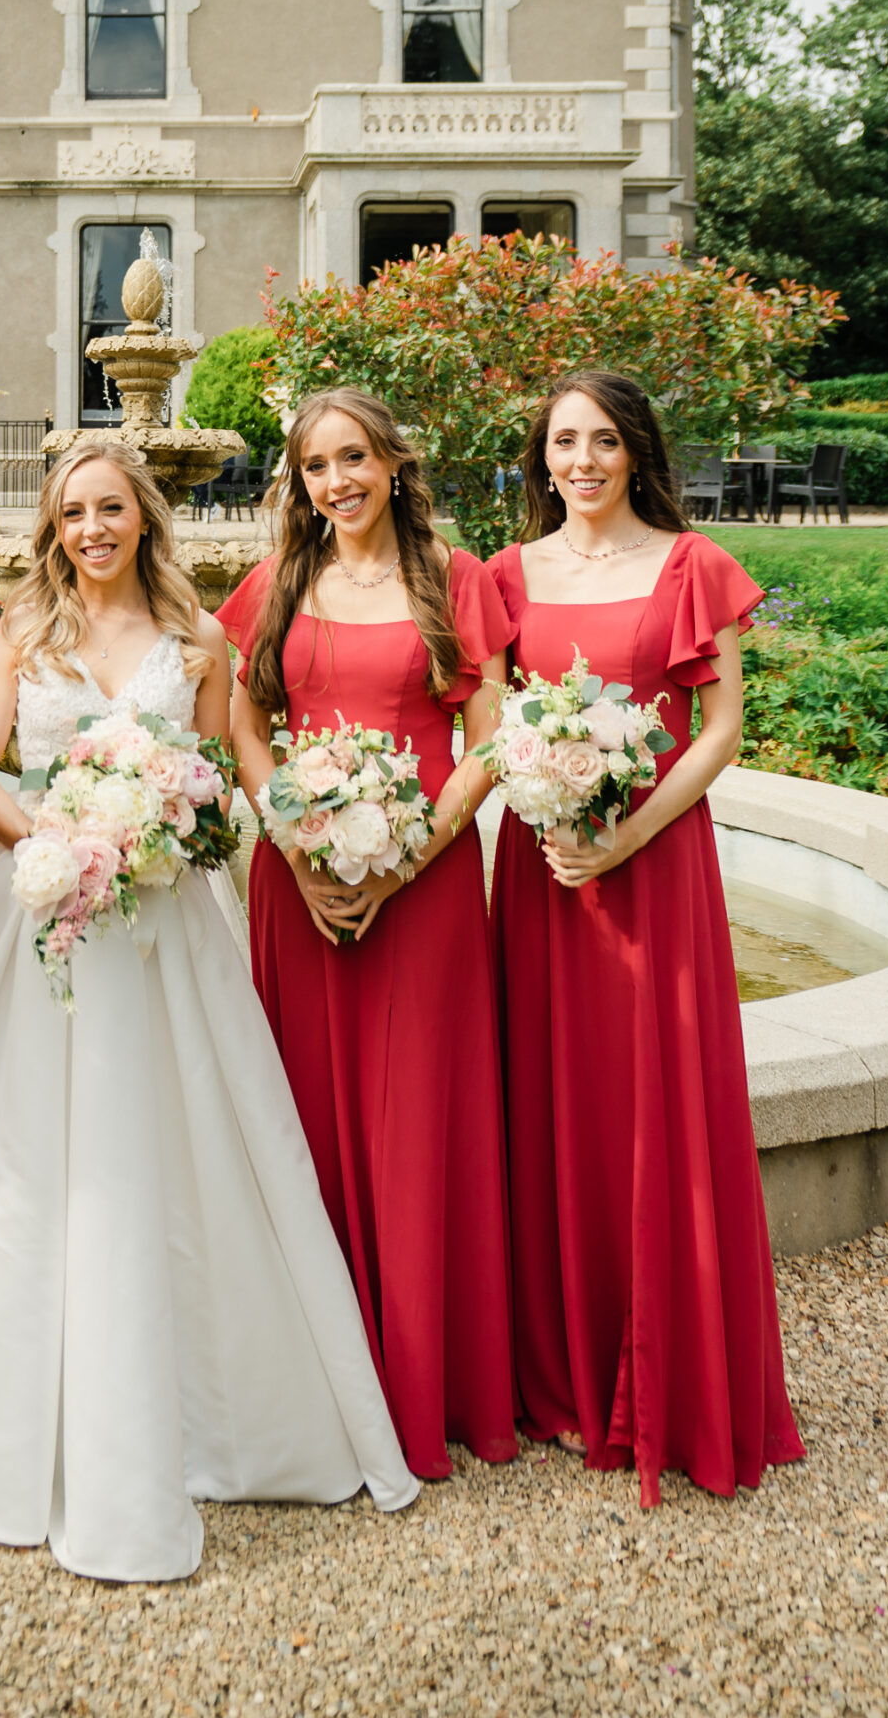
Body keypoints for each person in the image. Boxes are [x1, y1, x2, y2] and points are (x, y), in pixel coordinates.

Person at [0, 436, 418, 1584]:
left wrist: (310, 836)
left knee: (184, 1139)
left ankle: (214, 1408)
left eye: (110, 509)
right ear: (54, 528)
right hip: (46, 909)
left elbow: (228, 772)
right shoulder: (22, 631)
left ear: (144, 516)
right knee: (18, 1155)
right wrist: (56, 840)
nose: (91, 529)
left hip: (163, 924)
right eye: (72, 514)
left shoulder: (199, 641)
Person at [487, 369, 803, 1505]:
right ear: (541, 456)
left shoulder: (689, 564)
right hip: (540, 871)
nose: (582, 460)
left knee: (651, 1103)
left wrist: (628, 838)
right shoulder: (504, 576)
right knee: (555, 1104)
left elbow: (720, 730)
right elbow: (484, 724)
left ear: (636, 451)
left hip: (652, 863)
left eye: (604, 440)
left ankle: (660, 1373)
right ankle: (560, 1377)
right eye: (564, 441)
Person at [222, 389, 519, 1483]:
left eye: (354, 457)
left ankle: (422, 1381)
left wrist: (407, 858)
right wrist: (293, 843)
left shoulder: (457, 577)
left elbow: (488, 737)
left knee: (415, 1121)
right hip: (295, 886)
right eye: (315, 465)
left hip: (425, 882)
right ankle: (319, 1381)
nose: (336, 480)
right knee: (305, 1118)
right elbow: (246, 723)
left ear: (393, 462)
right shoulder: (279, 583)